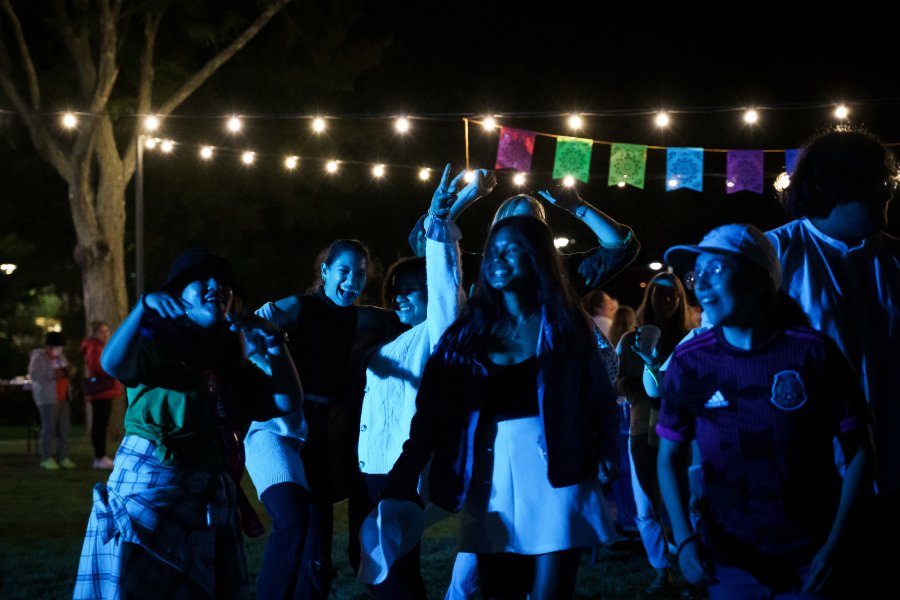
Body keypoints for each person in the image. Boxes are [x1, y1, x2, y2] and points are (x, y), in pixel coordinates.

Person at [381, 215, 621, 600]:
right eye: (495, 250)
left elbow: (599, 398)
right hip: (489, 476)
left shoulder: (564, 322)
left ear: (537, 258)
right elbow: (430, 414)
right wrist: (402, 476)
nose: (498, 259)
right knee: (499, 592)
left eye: (513, 250)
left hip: (555, 472)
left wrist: (606, 448)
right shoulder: (466, 332)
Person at [657, 224, 874, 598]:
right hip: (728, 560)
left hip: (812, 558)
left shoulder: (813, 353)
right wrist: (686, 539)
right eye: (697, 274)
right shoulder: (690, 361)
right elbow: (668, 457)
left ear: (759, 280)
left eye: (716, 270)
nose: (701, 285)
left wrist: (837, 544)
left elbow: (860, 452)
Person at [73, 248, 303, 599]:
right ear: (175, 296)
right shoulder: (158, 343)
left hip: (208, 497)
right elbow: (113, 364)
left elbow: (287, 400)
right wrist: (141, 309)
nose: (216, 286)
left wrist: (274, 340)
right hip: (153, 488)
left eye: (224, 282)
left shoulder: (231, 358)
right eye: (202, 279)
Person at [766, 127, 900, 592]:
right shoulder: (772, 255)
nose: (890, 193)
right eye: (883, 183)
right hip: (807, 486)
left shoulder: (896, 259)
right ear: (841, 186)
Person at [244, 236, 406, 599]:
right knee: (294, 522)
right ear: (325, 272)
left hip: (323, 440)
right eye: (343, 271)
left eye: (360, 274)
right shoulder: (300, 308)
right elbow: (253, 323)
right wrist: (258, 356)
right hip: (279, 428)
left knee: (317, 559)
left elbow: (407, 321)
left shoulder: (363, 317)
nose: (351, 281)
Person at [352, 164, 472, 597]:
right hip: (369, 466)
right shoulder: (388, 342)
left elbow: (445, 288)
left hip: (402, 466)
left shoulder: (438, 333)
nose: (399, 295)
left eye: (411, 287)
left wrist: (440, 223)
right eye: (395, 289)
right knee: (374, 565)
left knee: (396, 575)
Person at [408, 184, 640, 297]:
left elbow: (621, 247)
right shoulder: (476, 271)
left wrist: (577, 207)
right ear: (497, 230)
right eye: (514, 221)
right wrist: (468, 194)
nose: (523, 229)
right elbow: (427, 247)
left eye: (533, 222)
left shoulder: (563, 273)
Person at [616, 272, 692, 593]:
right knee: (646, 507)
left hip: (680, 430)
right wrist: (634, 387)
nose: (666, 300)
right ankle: (662, 570)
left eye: (672, 295)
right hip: (642, 428)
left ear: (680, 299)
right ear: (649, 299)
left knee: (685, 504)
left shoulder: (690, 339)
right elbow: (617, 382)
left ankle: (692, 569)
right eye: (659, 294)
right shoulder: (631, 340)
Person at [28, 331, 76, 470]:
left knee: (64, 429)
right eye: (57, 347)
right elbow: (35, 375)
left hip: (63, 397)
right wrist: (54, 374)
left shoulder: (60, 356)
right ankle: (46, 457)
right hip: (47, 398)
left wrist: (69, 371)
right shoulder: (38, 357)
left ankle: (63, 457)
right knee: (48, 429)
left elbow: (69, 369)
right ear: (49, 346)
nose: (59, 350)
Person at [80, 321, 124, 469]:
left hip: (106, 391)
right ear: (95, 333)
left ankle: (101, 456)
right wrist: (114, 369)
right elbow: (97, 366)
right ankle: (99, 457)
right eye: (102, 332)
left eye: (107, 331)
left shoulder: (100, 346)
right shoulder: (94, 347)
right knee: (99, 425)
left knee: (102, 424)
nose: (105, 334)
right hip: (101, 391)